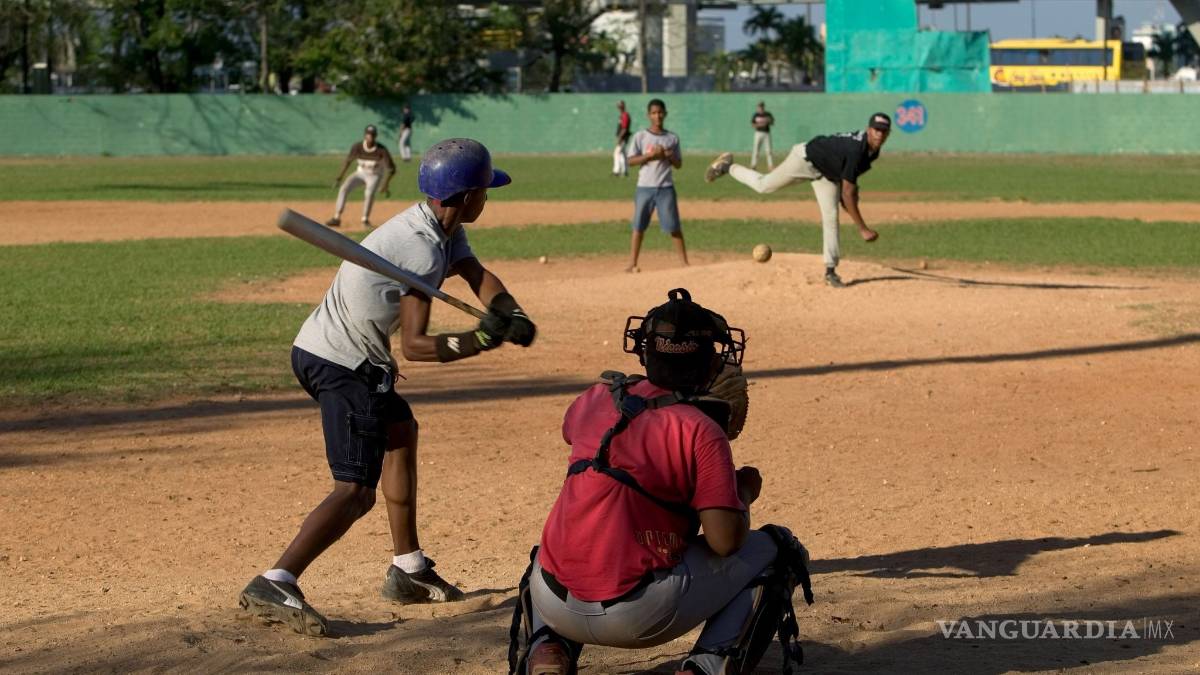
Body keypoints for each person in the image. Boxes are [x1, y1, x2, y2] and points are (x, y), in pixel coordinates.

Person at [240, 138, 538, 637]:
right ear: (465, 196)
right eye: (485, 189)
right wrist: (483, 338)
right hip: (340, 361)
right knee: (355, 490)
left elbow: (474, 273)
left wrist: (510, 311)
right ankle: (277, 579)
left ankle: (409, 568)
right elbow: (417, 346)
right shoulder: (419, 250)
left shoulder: (441, 229)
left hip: (347, 353)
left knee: (399, 431)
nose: (488, 197)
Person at [507, 289, 813, 675]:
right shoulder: (700, 429)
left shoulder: (598, 395)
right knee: (779, 550)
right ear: (710, 363)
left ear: (645, 351)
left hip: (551, 601)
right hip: (639, 616)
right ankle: (705, 666)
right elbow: (725, 541)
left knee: (561, 547)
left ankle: (547, 648)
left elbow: (573, 432)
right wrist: (744, 490)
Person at [706, 112, 892, 288]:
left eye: (884, 131)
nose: (880, 134)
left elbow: (848, 186)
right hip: (805, 159)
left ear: (888, 133)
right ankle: (728, 167)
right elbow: (848, 193)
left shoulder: (871, 151)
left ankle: (830, 271)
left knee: (831, 215)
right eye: (877, 130)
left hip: (827, 174)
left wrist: (848, 196)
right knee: (764, 185)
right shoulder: (856, 150)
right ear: (869, 130)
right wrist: (862, 228)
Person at [626, 99, 687, 273]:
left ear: (665, 114)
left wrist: (667, 155)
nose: (657, 116)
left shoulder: (672, 138)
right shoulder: (641, 136)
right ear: (648, 115)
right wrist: (651, 155)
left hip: (666, 188)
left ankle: (684, 263)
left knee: (674, 227)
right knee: (638, 226)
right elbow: (630, 161)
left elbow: (678, 164)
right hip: (644, 187)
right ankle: (632, 263)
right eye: (653, 113)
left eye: (660, 112)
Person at [326, 124, 396, 229]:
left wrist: (385, 185)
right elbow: (348, 161)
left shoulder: (381, 150)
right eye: (368, 134)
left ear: (376, 136)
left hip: (374, 175)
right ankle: (337, 218)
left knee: (369, 193)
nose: (370, 137)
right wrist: (340, 176)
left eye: (372, 135)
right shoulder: (357, 147)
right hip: (361, 173)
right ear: (365, 135)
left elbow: (392, 169)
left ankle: (365, 220)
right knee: (344, 188)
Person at [750, 101, 775, 170]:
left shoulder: (768, 114)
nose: (760, 108)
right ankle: (753, 165)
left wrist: (769, 121)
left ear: (763, 107)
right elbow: (752, 124)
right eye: (759, 107)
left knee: (768, 150)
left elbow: (772, 122)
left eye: (761, 107)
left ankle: (770, 165)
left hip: (766, 133)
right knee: (756, 150)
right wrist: (759, 125)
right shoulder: (756, 115)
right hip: (758, 133)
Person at [612, 100, 632, 177]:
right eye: (618, 106)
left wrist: (620, 138)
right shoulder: (622, 115)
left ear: (623, 106)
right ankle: (625, 171)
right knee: (622, 154)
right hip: (623, 137)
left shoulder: (625, 115)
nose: (619, 107)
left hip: (623, 137)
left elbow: (624, 128)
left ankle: (616, 171)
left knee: (617, 153)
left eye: (620, 106)